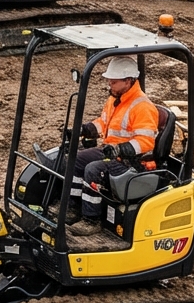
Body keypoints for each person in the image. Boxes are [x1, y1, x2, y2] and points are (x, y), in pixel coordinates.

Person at [67, 55, 160, 236]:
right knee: (76, 159)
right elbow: (104, 123)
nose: (110, 86)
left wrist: (120, 149)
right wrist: (84, 130)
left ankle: (91, 220)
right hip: (111, 151)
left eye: (114, 82)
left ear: (128, 81)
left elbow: (146, 141)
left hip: (131, 161)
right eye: (109, 81)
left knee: (93, 169)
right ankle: (73, 207)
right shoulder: (115, 99)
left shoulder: (143, 107)